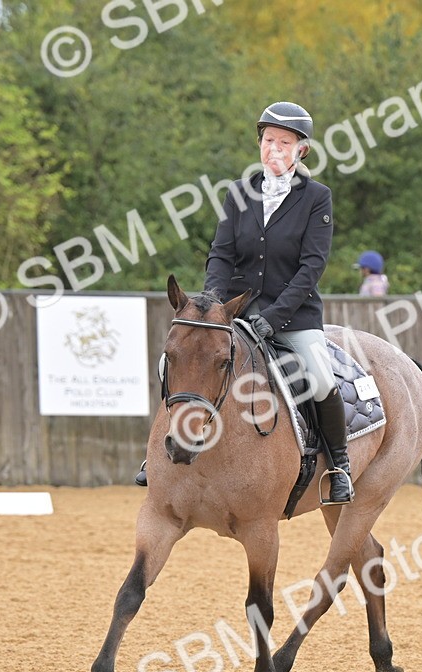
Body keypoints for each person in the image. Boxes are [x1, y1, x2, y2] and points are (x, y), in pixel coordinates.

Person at [136, 101, 354, 505]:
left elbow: (311, 268)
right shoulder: (238, 193)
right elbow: (221, 254)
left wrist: (274, 317)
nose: (274, 148)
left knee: (321, 378)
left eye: (284, 142)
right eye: (269, 140)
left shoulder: (316, 198)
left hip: (293, 316)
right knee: (171, 362)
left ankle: (339, 465)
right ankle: (159, 455)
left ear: (301, 150)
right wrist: (212, 304)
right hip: (233, 312)